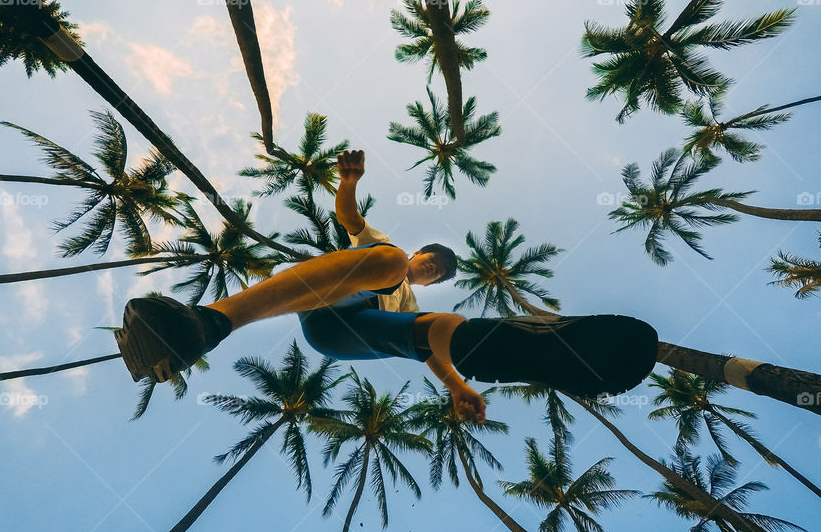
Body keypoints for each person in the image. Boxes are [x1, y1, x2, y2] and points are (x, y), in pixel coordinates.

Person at [115, 150, 658, 423]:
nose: (430, 273)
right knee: (384, 262)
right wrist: (347, 182)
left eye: (439, 275)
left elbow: (422, 340)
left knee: (440, 328)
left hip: (343, 336)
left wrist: (457, 386)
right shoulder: (388, 253)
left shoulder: (408, 296)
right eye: (432, 264)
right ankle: (206, 325)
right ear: (425, 255)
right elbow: (349, 218)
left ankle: (526, 351)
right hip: (328, 301)